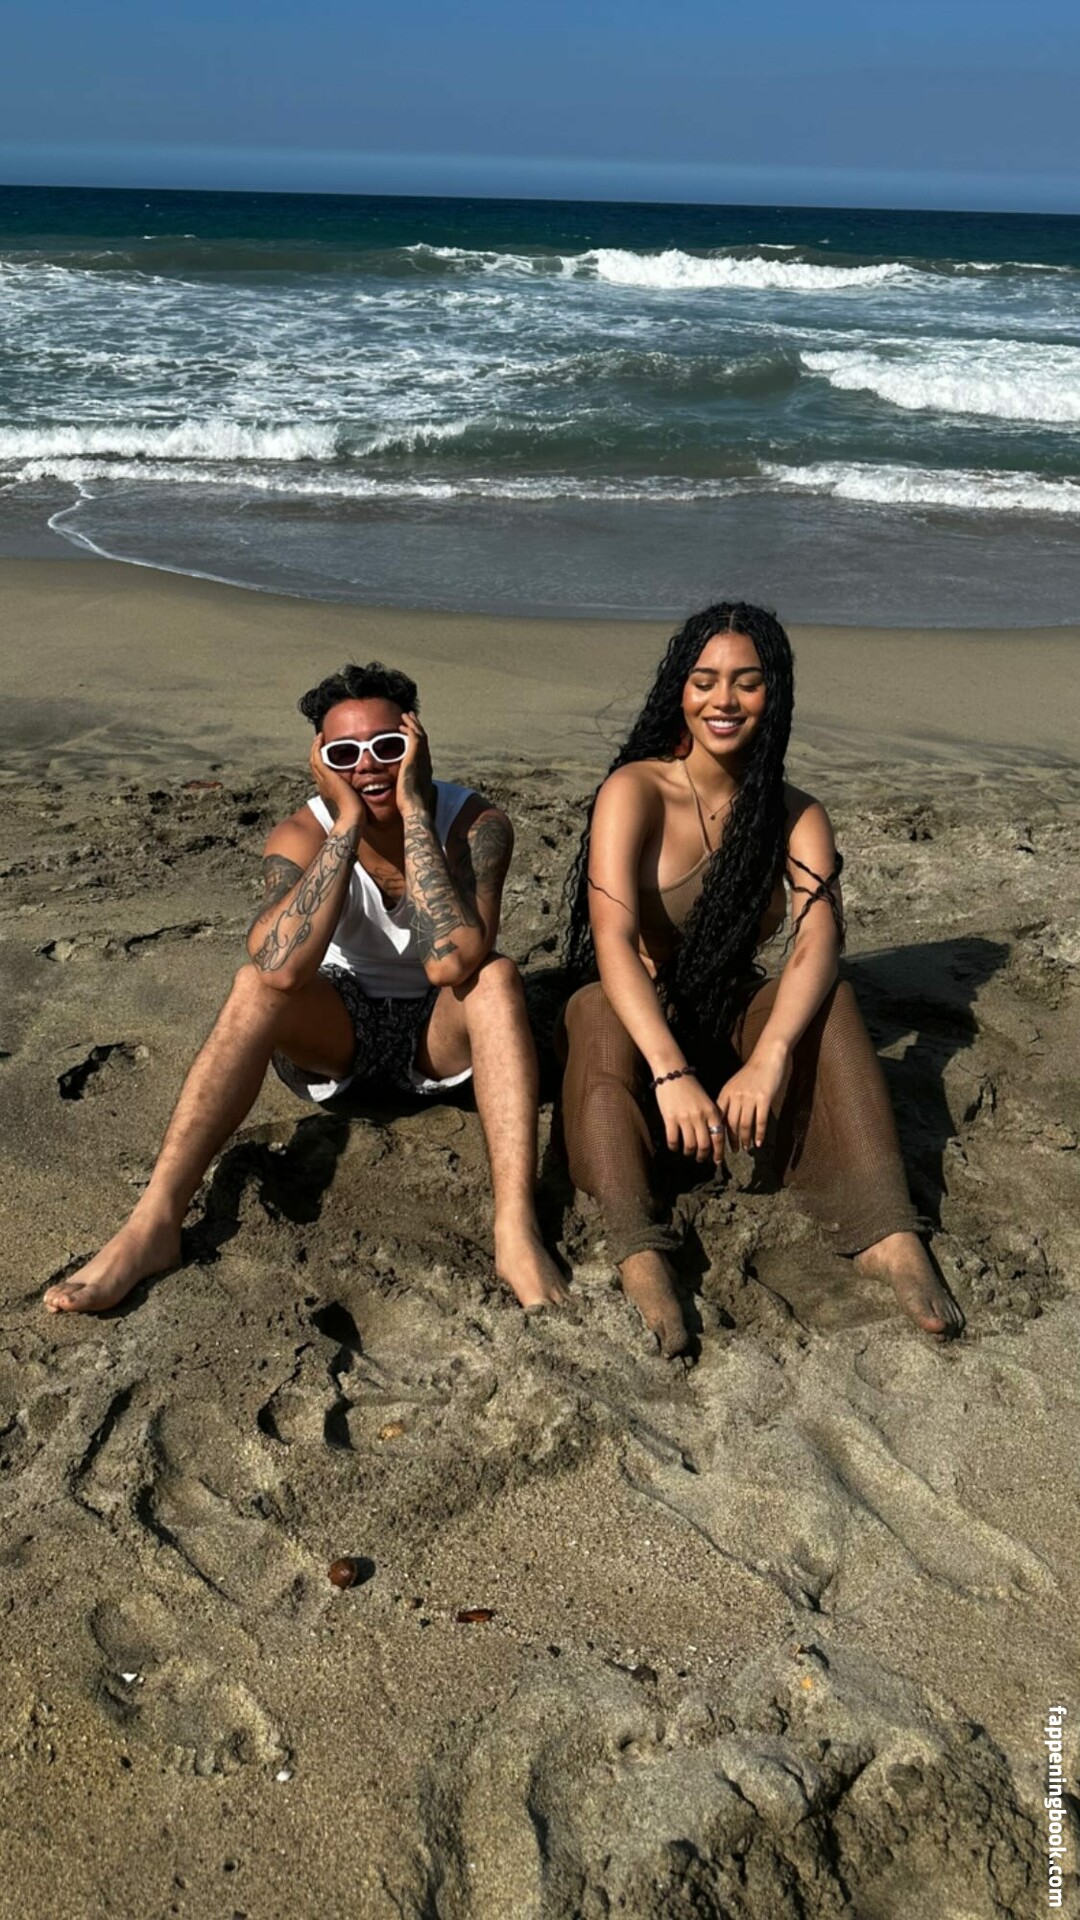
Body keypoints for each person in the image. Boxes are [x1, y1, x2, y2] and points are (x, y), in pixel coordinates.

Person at [45, 662, 567, 1316]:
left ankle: (515, 1228)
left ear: (418, 743)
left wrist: (413, 811)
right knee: (252, 985)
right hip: (337, 1037)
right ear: (321, 761)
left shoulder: (475, 823)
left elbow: (452, 964)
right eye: (345, 754)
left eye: (388, 746)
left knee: (496, 976)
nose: (368, 765)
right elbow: (282, 971)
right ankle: (153, 1223)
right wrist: (345, 826)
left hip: (440, 1036)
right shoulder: (304, 831)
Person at [559, 602, 964, 1358]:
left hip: (731, 1015)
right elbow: (611, 939)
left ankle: (885, 1230)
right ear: (680, 691)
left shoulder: (796, 813)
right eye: (705, 681)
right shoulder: (635, 790)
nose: (724, 700)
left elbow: (819, 936)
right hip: (641, 1025)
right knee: (592, 1010)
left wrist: (772, 1056)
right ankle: (637, 1246)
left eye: (746, 682)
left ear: (773, 693)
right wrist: (670, 1069)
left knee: (830, 999)